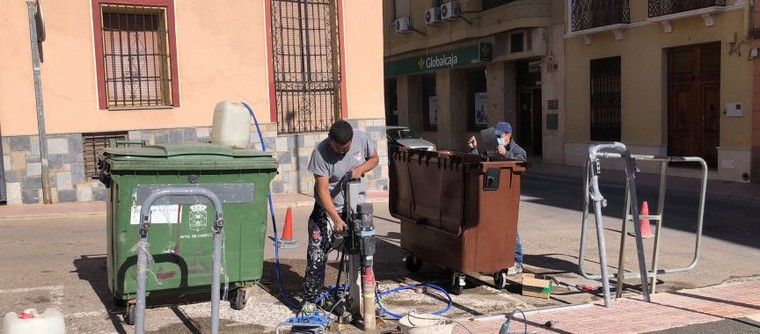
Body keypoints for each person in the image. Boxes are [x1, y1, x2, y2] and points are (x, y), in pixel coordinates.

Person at [302, 120, 379, 303]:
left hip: (356, 206)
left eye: (345, 149)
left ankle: (366, 297)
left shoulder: (361, 138)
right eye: (337, 149)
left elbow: (374, 159)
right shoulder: (320, 153)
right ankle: (310, 300)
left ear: (352, 140)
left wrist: (359, 169)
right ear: (330, 140)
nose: (341, 153)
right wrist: (336, 219)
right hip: (329, 208)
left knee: (364, 250)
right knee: (317, 252)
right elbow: (322, 190)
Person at [467, 121, 527, 274]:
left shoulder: (517, 150)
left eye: (500, 136)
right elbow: (482, 162)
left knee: (510, 227)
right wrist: (474, 149)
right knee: (493, 226)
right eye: (495, 136)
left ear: (508, 135)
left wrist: (505, 155)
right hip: (492, 192)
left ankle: (517, 261)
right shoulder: (493, 148)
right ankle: (494, 257)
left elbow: (522, 163)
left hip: (507, 194)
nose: (497, 139)